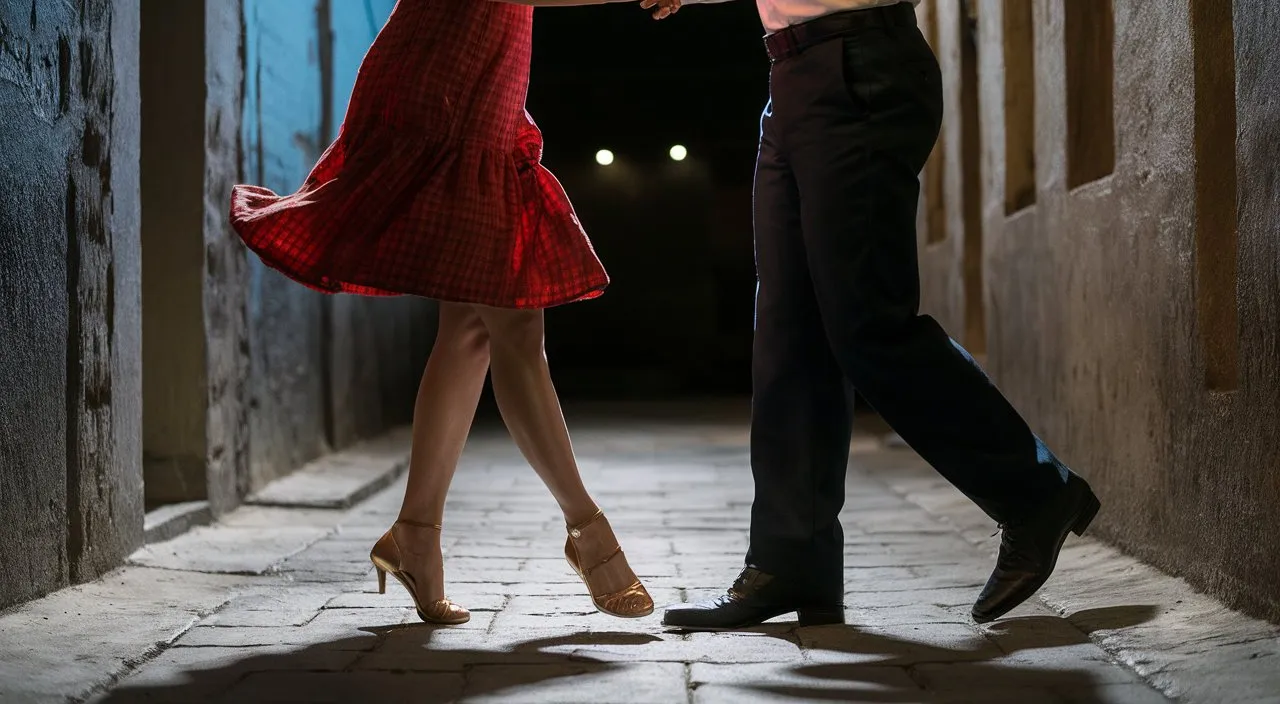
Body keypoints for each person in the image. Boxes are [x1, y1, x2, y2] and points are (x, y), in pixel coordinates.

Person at [649, 0, 1101, 629]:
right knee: (788, 333)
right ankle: (791, 558)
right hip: (794, 76)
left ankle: (1034, 494)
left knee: (866, 322)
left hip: (859, 68)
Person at [230, 0, 673, 624]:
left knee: (470, 329)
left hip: (478, 72)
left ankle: (415, 532)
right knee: (512, 323)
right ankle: (588, 531)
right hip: (448, 76)